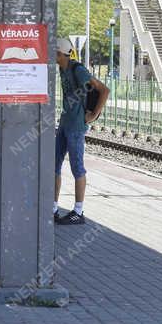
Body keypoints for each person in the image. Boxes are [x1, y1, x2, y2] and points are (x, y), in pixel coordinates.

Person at [54, 38, 109, 225]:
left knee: (77, 167)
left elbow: (104, 90)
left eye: (54, 53)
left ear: (60, 54)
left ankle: (78, 211)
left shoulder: (78, 70)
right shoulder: (62, 68)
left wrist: (93, 115)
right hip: (64, 122)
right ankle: (53, 207)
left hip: (76, 125)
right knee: (54, 164)